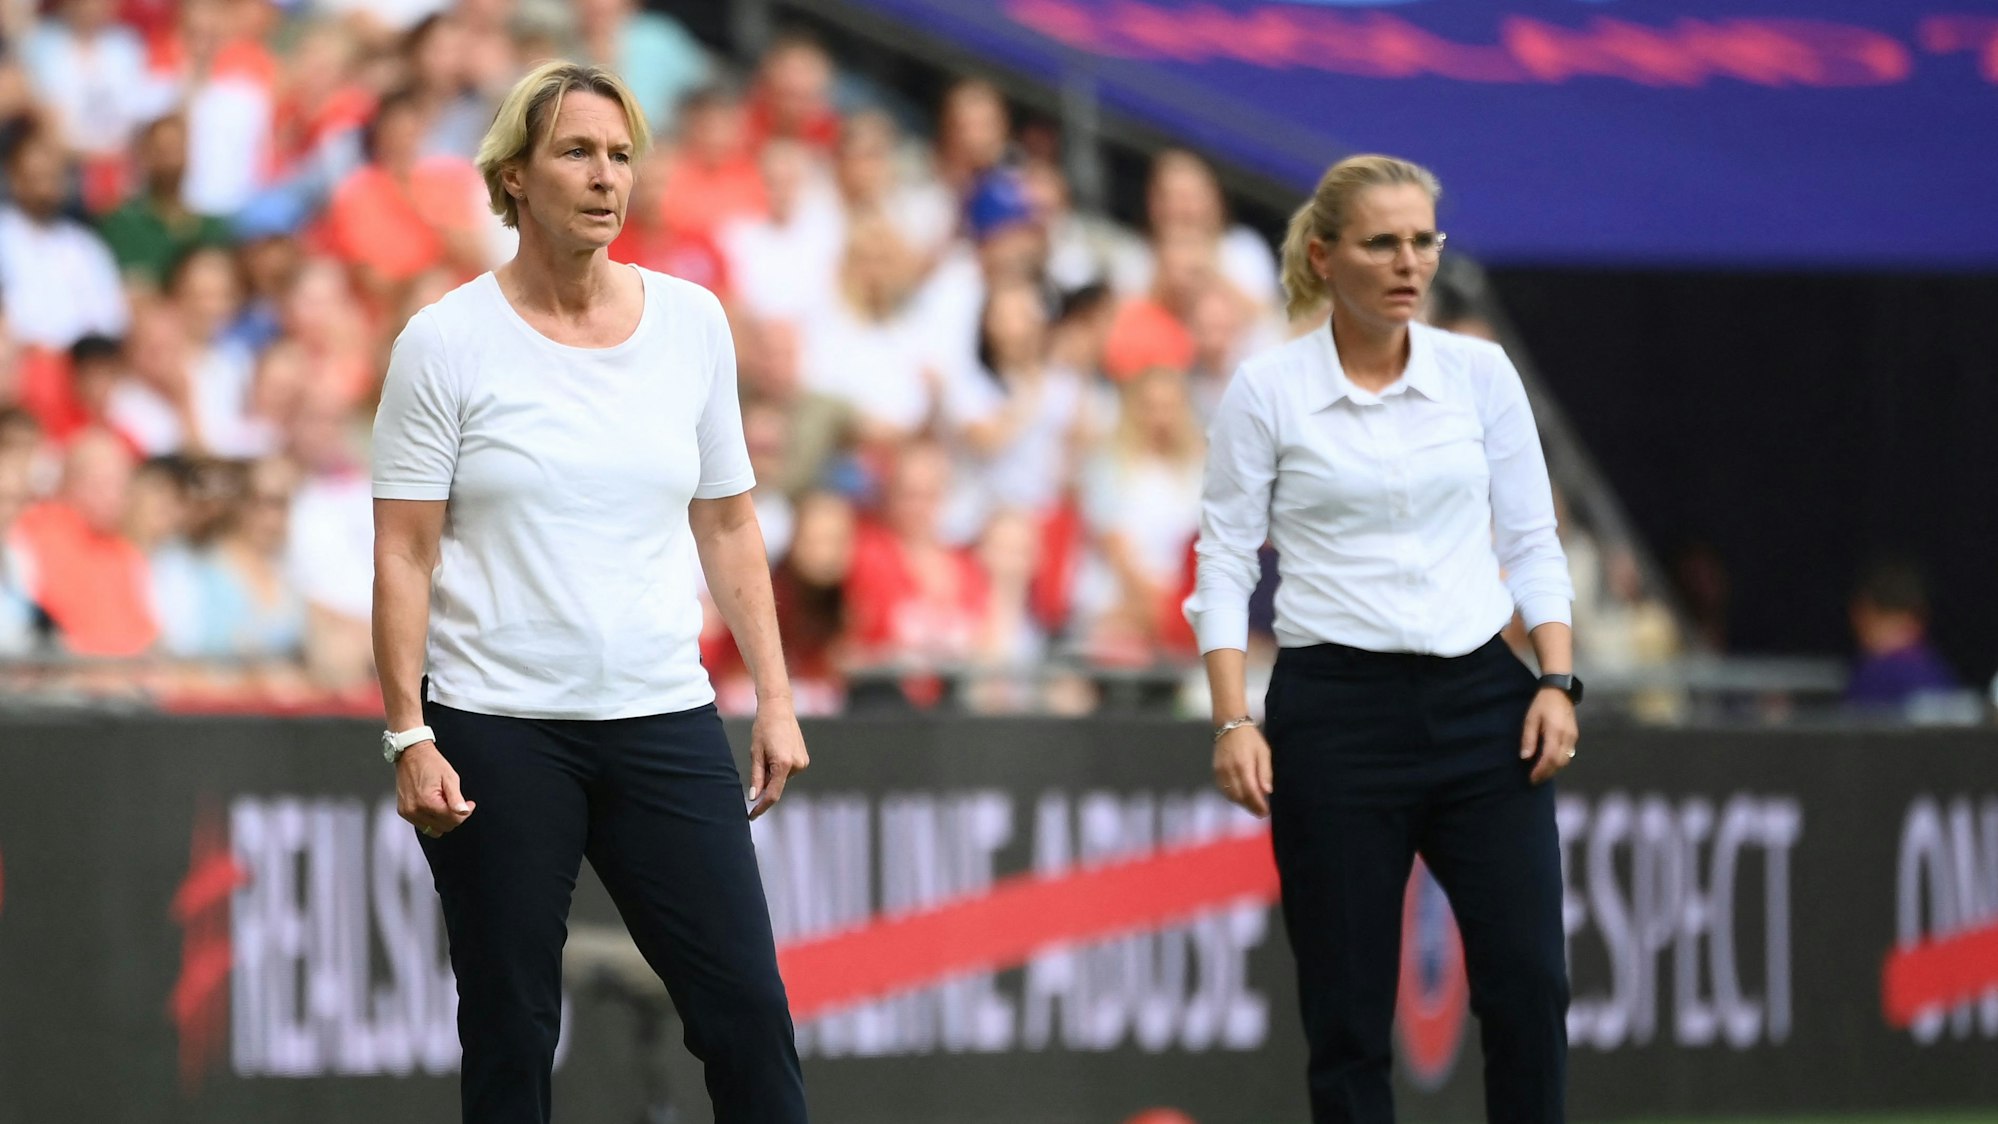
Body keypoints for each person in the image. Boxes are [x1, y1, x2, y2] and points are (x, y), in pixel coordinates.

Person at [370, 61, 809, 1123]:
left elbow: (728, 520)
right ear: (513, 176)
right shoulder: (444, 340)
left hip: (662, 711)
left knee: (748, 1011)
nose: (605, 176)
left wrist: (777, 697)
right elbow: (402, 551)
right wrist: (406, 733)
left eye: (620, 155)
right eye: (576, 151)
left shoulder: (693, 324)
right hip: (500, 723)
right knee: (513, 1027)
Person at [1185, 154, 1579, 1123]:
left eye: (1423, 240)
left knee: (1531, 988)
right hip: (1335, 711)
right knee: (1348, 1018)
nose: (1410, 262)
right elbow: (1225, 560)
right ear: (1325, 254)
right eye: (1382, 242)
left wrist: (1557, 680)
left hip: (1484, 700)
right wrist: (1232, 716)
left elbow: (1532, 535)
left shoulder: (1479, 372)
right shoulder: (1268, 388)